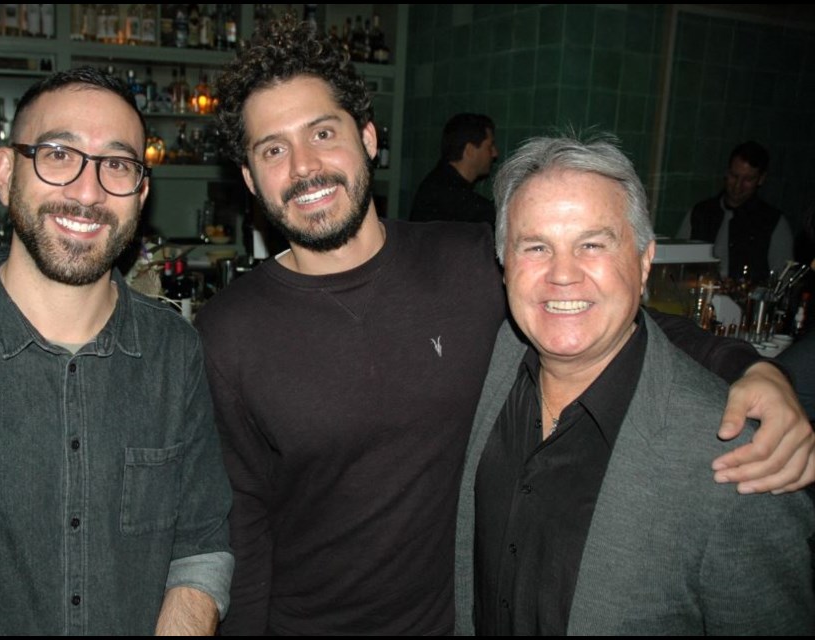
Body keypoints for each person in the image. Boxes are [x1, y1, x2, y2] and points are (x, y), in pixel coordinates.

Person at [195, 17, 814, 636]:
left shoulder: (468, 263)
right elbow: (241, 520)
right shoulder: (228, 330)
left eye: (322, 132)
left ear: (367, 138)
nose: (304, 166)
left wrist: (753, 368)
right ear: (250, 178)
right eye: (273, 149)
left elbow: (596, 310)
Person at [0, 67, 233, 635]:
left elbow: (201, 547)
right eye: (59, 154)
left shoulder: (175, 348)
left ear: (141, 192)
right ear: (6, 173)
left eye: (117, 164)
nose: (88, 191)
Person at [455, 134, 814, 635]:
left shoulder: (742, 463)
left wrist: (758, 367)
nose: (563, 275)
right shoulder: (488, 362)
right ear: (504, 265)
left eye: (593, 245)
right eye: (536, 246)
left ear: (646, 262)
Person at [677, 140, 793, 281]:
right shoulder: (700, 213)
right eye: (734, 176)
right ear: (727, 173)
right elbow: (678, 262)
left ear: (761, 179)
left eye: (748, 179)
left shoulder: (773, 222)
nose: (738, 185)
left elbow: (783, 279)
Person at [409, 113, 498, 225]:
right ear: (470, 150)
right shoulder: (452, 196)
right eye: (489, 146)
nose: (495, 153)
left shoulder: (438, 182)